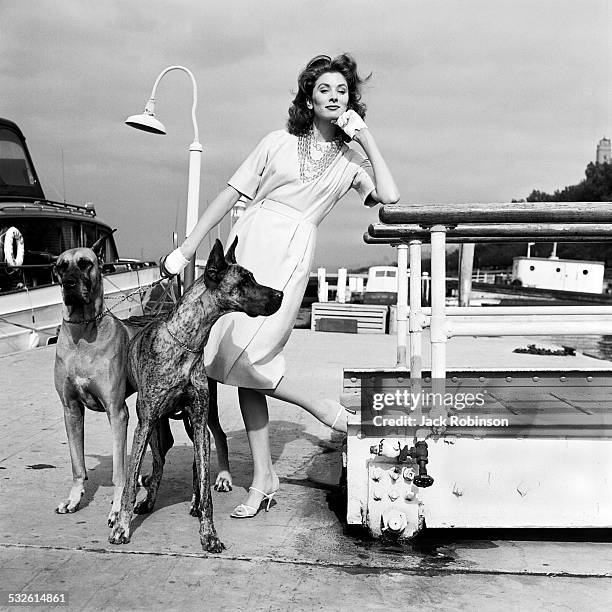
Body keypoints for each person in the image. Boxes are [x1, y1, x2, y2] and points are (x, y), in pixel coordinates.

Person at [161, 53, 400, 518]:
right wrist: (188, 249)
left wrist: (367, 138)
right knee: (231, 363)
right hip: (248, 245)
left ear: (351, 102)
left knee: (253, 358)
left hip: (291, 253)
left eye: (343, 91)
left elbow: (389, 197)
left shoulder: (351, 162)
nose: (334, 97)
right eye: (325, 89)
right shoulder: (276, 142)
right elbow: (231, 193)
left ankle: (323, 411)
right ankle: (265, 478)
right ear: (308, 98)